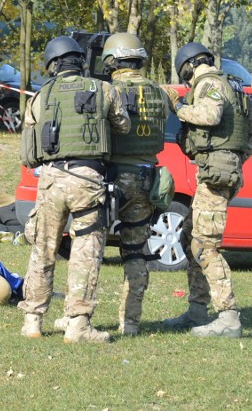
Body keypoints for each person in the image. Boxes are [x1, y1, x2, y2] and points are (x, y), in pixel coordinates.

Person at [18, 36, 131, 343]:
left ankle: (32, 321)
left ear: (52, 65)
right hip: (88, 178)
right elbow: (124, 126)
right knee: (85, 252)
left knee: (43, 250)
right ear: (81, 61)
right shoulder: (104, 89)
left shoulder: (40, 96)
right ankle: (78, 324)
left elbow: (29, 146)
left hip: (52, 179)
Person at [162, 42, 252, 338]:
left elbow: (209, 116)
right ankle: (196, 310)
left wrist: (178, 106)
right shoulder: (233, 86)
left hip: (215, 176)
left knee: (205, 246)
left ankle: (228, 317)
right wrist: (234, 158)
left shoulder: (209, 83)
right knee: (188, 236)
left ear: (187, 66)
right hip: (216, 173)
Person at [94, 32, 171, 336]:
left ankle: (80, 317)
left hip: (112, 177)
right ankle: (131, 323)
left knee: (90, 249)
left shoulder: (107, 90)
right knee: (136, 252)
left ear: (112, 60)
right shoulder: (159, 91)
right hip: (147, 178)